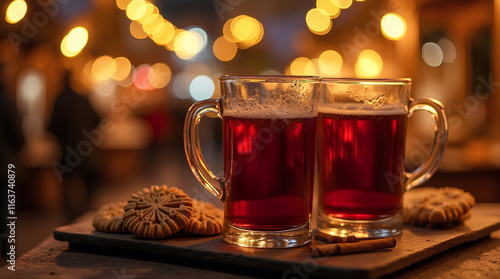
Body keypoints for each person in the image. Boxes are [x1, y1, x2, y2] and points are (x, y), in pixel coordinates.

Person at [48, 71, 102, 222]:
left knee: (68, 186)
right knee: (88, 184)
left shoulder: (60, 100)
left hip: (68, 152)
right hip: (87, 150)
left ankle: (71, 218)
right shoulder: (83, 99)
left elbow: (53, 127)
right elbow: (98, 120)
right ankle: (86, 212)